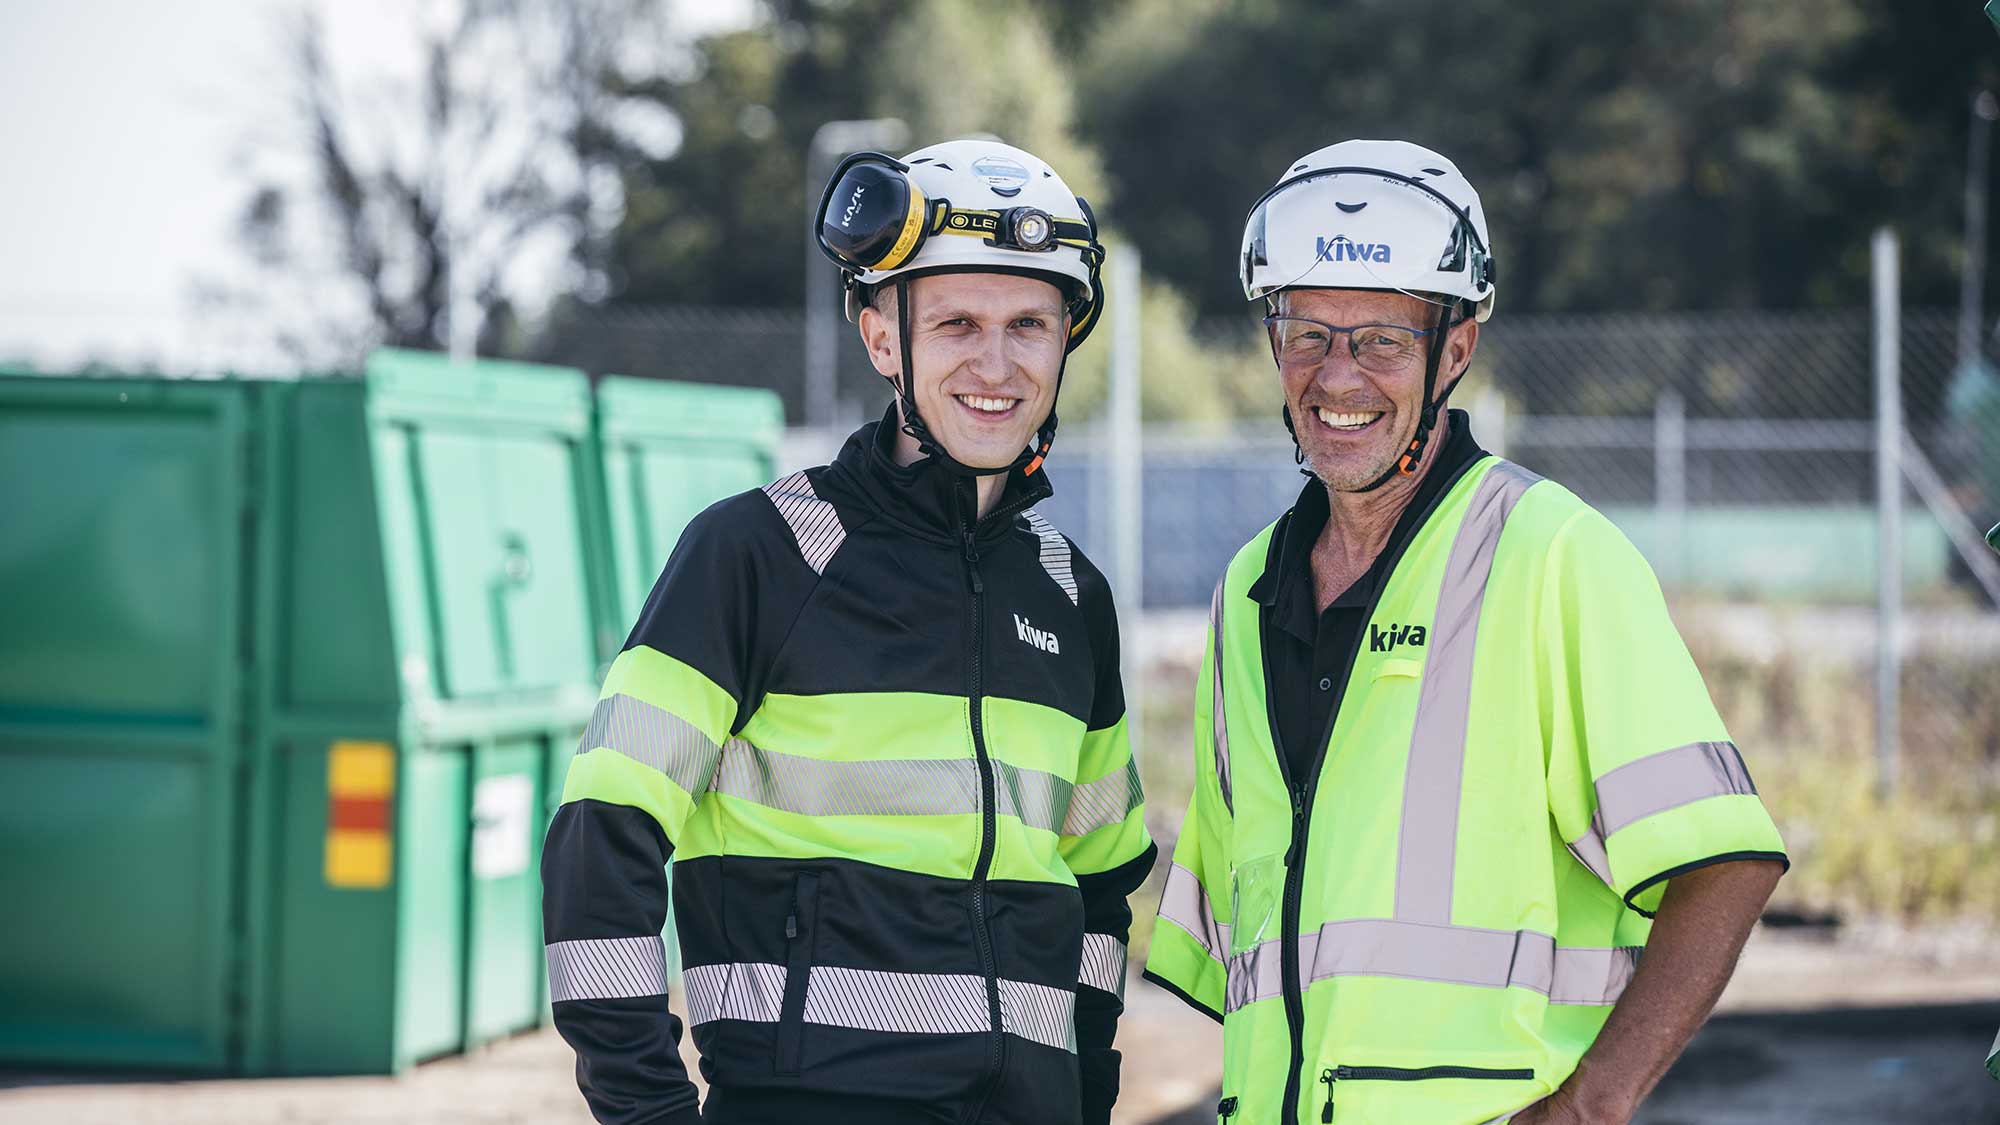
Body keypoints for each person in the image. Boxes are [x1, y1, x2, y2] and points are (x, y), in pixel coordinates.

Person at [1142, 139, 1789, 1125]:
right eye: (1305, 333)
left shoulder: (1549, 554)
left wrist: (1588, 1106)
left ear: (1455, 349)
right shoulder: (1245, 592)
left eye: (1382, 342)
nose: (1336, 377)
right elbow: (1247, 945)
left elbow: (1724, 862)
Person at [541, 138, 1156, 1125]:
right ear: (882, 340)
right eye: (956, 321)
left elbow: (1095, 891)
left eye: (1029, 325)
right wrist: (646, 1109)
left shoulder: (1068, 595)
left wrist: (1084, 1098)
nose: (995, 364)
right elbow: (598, 845)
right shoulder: (755, 553)